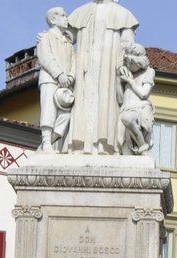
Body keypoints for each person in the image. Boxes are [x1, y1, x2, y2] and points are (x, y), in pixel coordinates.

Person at [67, 0, 139, 154]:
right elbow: (65, 40)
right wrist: (49, 37)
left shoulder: (122, 14)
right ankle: (80, 145)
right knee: (82, 100)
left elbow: (128, 44)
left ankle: (104, 145)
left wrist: (123, 63)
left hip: (109, 68)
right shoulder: (81, 12)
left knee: (106, 102)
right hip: (84, 70)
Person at [35, 6, 75, 152]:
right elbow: (46, 57)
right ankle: (46, 141)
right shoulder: (45, 37)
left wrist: (70, 76)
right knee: (48, 109)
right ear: (53, 20)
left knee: (66, 114)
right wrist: (60, 74)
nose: (66, 18)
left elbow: (73, 61)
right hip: (50, 79)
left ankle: (50, 141)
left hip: (66, 83)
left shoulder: (68, 43)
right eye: (63, 16)